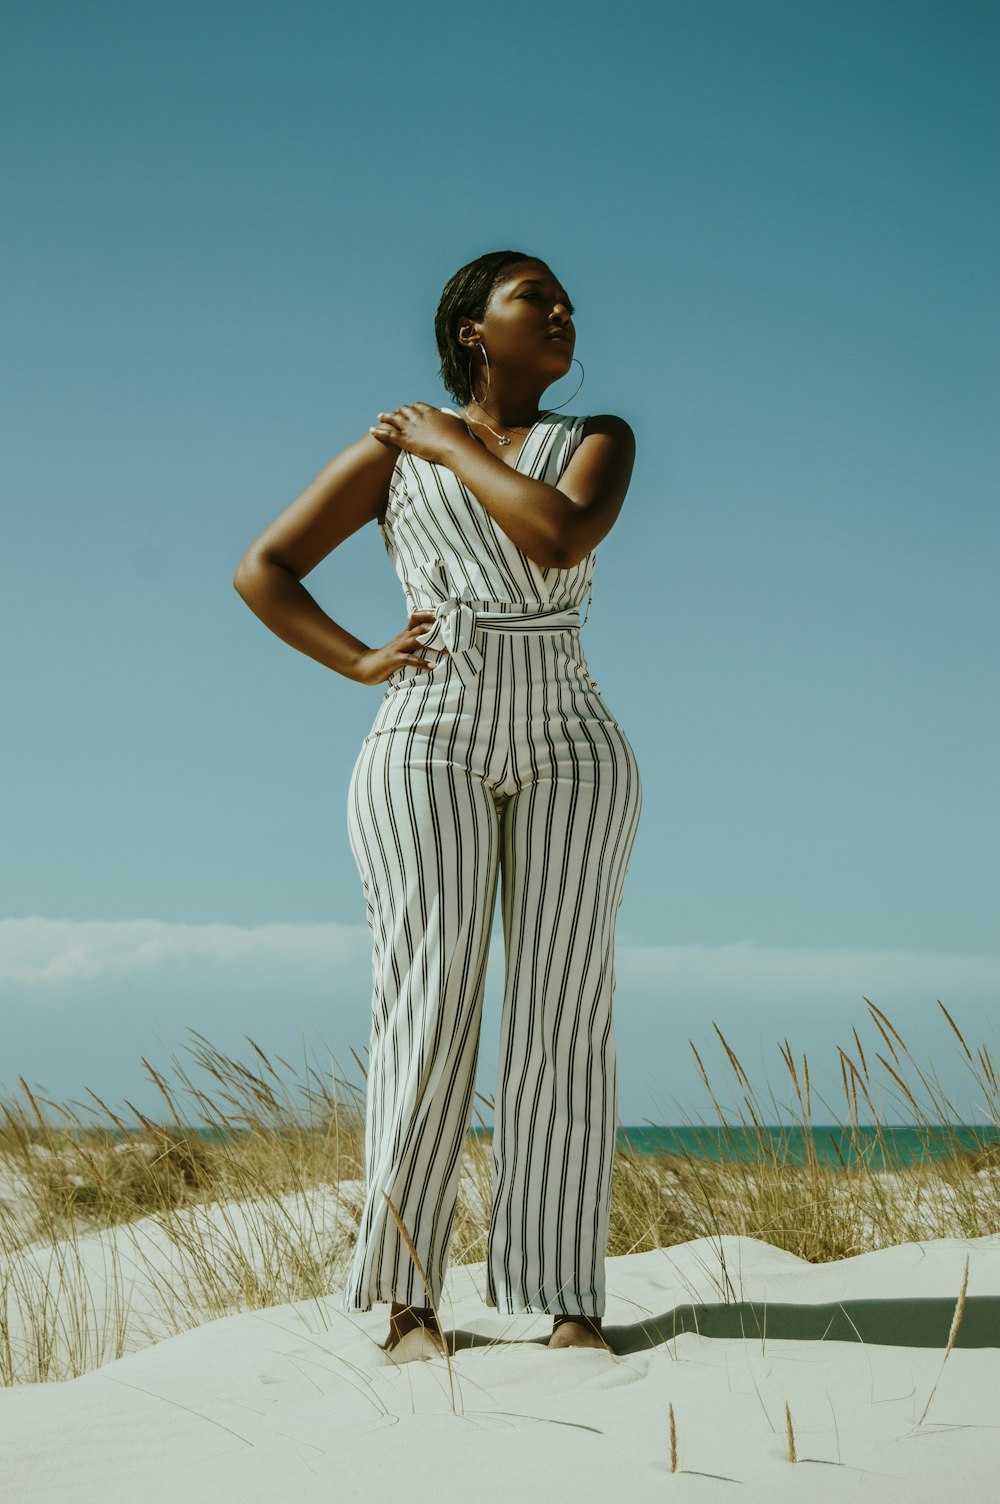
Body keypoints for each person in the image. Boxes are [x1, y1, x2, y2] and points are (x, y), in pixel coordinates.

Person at [233, 249, 642, 1364]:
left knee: (566, 1004)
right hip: (428, 733)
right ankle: (411, 1303)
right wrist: (362, 659)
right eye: (532, 299)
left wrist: (450, 442)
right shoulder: (390, 449)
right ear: (473, 328)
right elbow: (264, 568)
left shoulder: (596, 436)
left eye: (563, 301)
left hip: (572, 733)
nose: (559, 311)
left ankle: (569, 1300)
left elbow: (556, 537)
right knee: (427, 999)